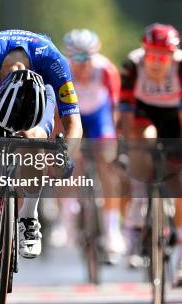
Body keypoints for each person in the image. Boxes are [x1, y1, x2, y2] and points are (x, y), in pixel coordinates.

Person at [0, 29, 83, 304]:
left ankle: (28, 217)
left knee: (35, 143)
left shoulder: (54, 61)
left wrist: (65, 156)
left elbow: (74, 123)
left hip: (37, 99)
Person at [120, 23, 182, 287]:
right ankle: (140, 201)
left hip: (175, 117)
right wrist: (129, 145)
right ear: (144, 51)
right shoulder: (132, 64)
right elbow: (126, 113)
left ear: (173, 56)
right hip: (143, 113)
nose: (157, 62)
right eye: (152, 55)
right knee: (143, 143)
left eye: (163, 57)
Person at [62, 29, 126, 262]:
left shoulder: (106, 69)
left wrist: (116, 138)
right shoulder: (62, 71)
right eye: (77, 58)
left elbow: (117, 108)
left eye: (87, 57)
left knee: (107, 164)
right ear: (69, 57)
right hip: (73, 117)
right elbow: (58, 114)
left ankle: (112, 230)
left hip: (99, 117)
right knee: (69, 162)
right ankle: (69, 218)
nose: (83, 64)